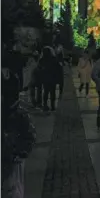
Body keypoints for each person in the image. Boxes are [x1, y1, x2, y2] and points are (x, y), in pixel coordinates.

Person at [2, 54, 36, 198]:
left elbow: (29, 136)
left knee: (13, 190)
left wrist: (20, 152)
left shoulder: (18, 114)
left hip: (12, 162)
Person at [38, 47, 60, 111]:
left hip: (45, 79)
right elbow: (57, 70)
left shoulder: (41, 60)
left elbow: (39, 70)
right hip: (53, 78)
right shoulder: (54, 59)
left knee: (45, 92)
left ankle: (45, 105)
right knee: (52, 93)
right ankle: (52, 106)